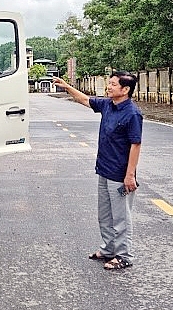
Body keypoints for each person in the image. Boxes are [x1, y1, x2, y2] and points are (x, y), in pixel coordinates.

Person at [52, 72, 143, 271]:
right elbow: (84, 99)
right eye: (109, 83)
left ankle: (124, 256)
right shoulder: (108, 105)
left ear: (125, 90)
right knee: (105, 215)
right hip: (104, 169)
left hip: (120, 174)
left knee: (121, 218)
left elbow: (135, 145)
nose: (108, 87)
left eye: (112, 84)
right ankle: (108, 249)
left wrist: (129, 175)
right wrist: (67, 87)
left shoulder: (132, 114)